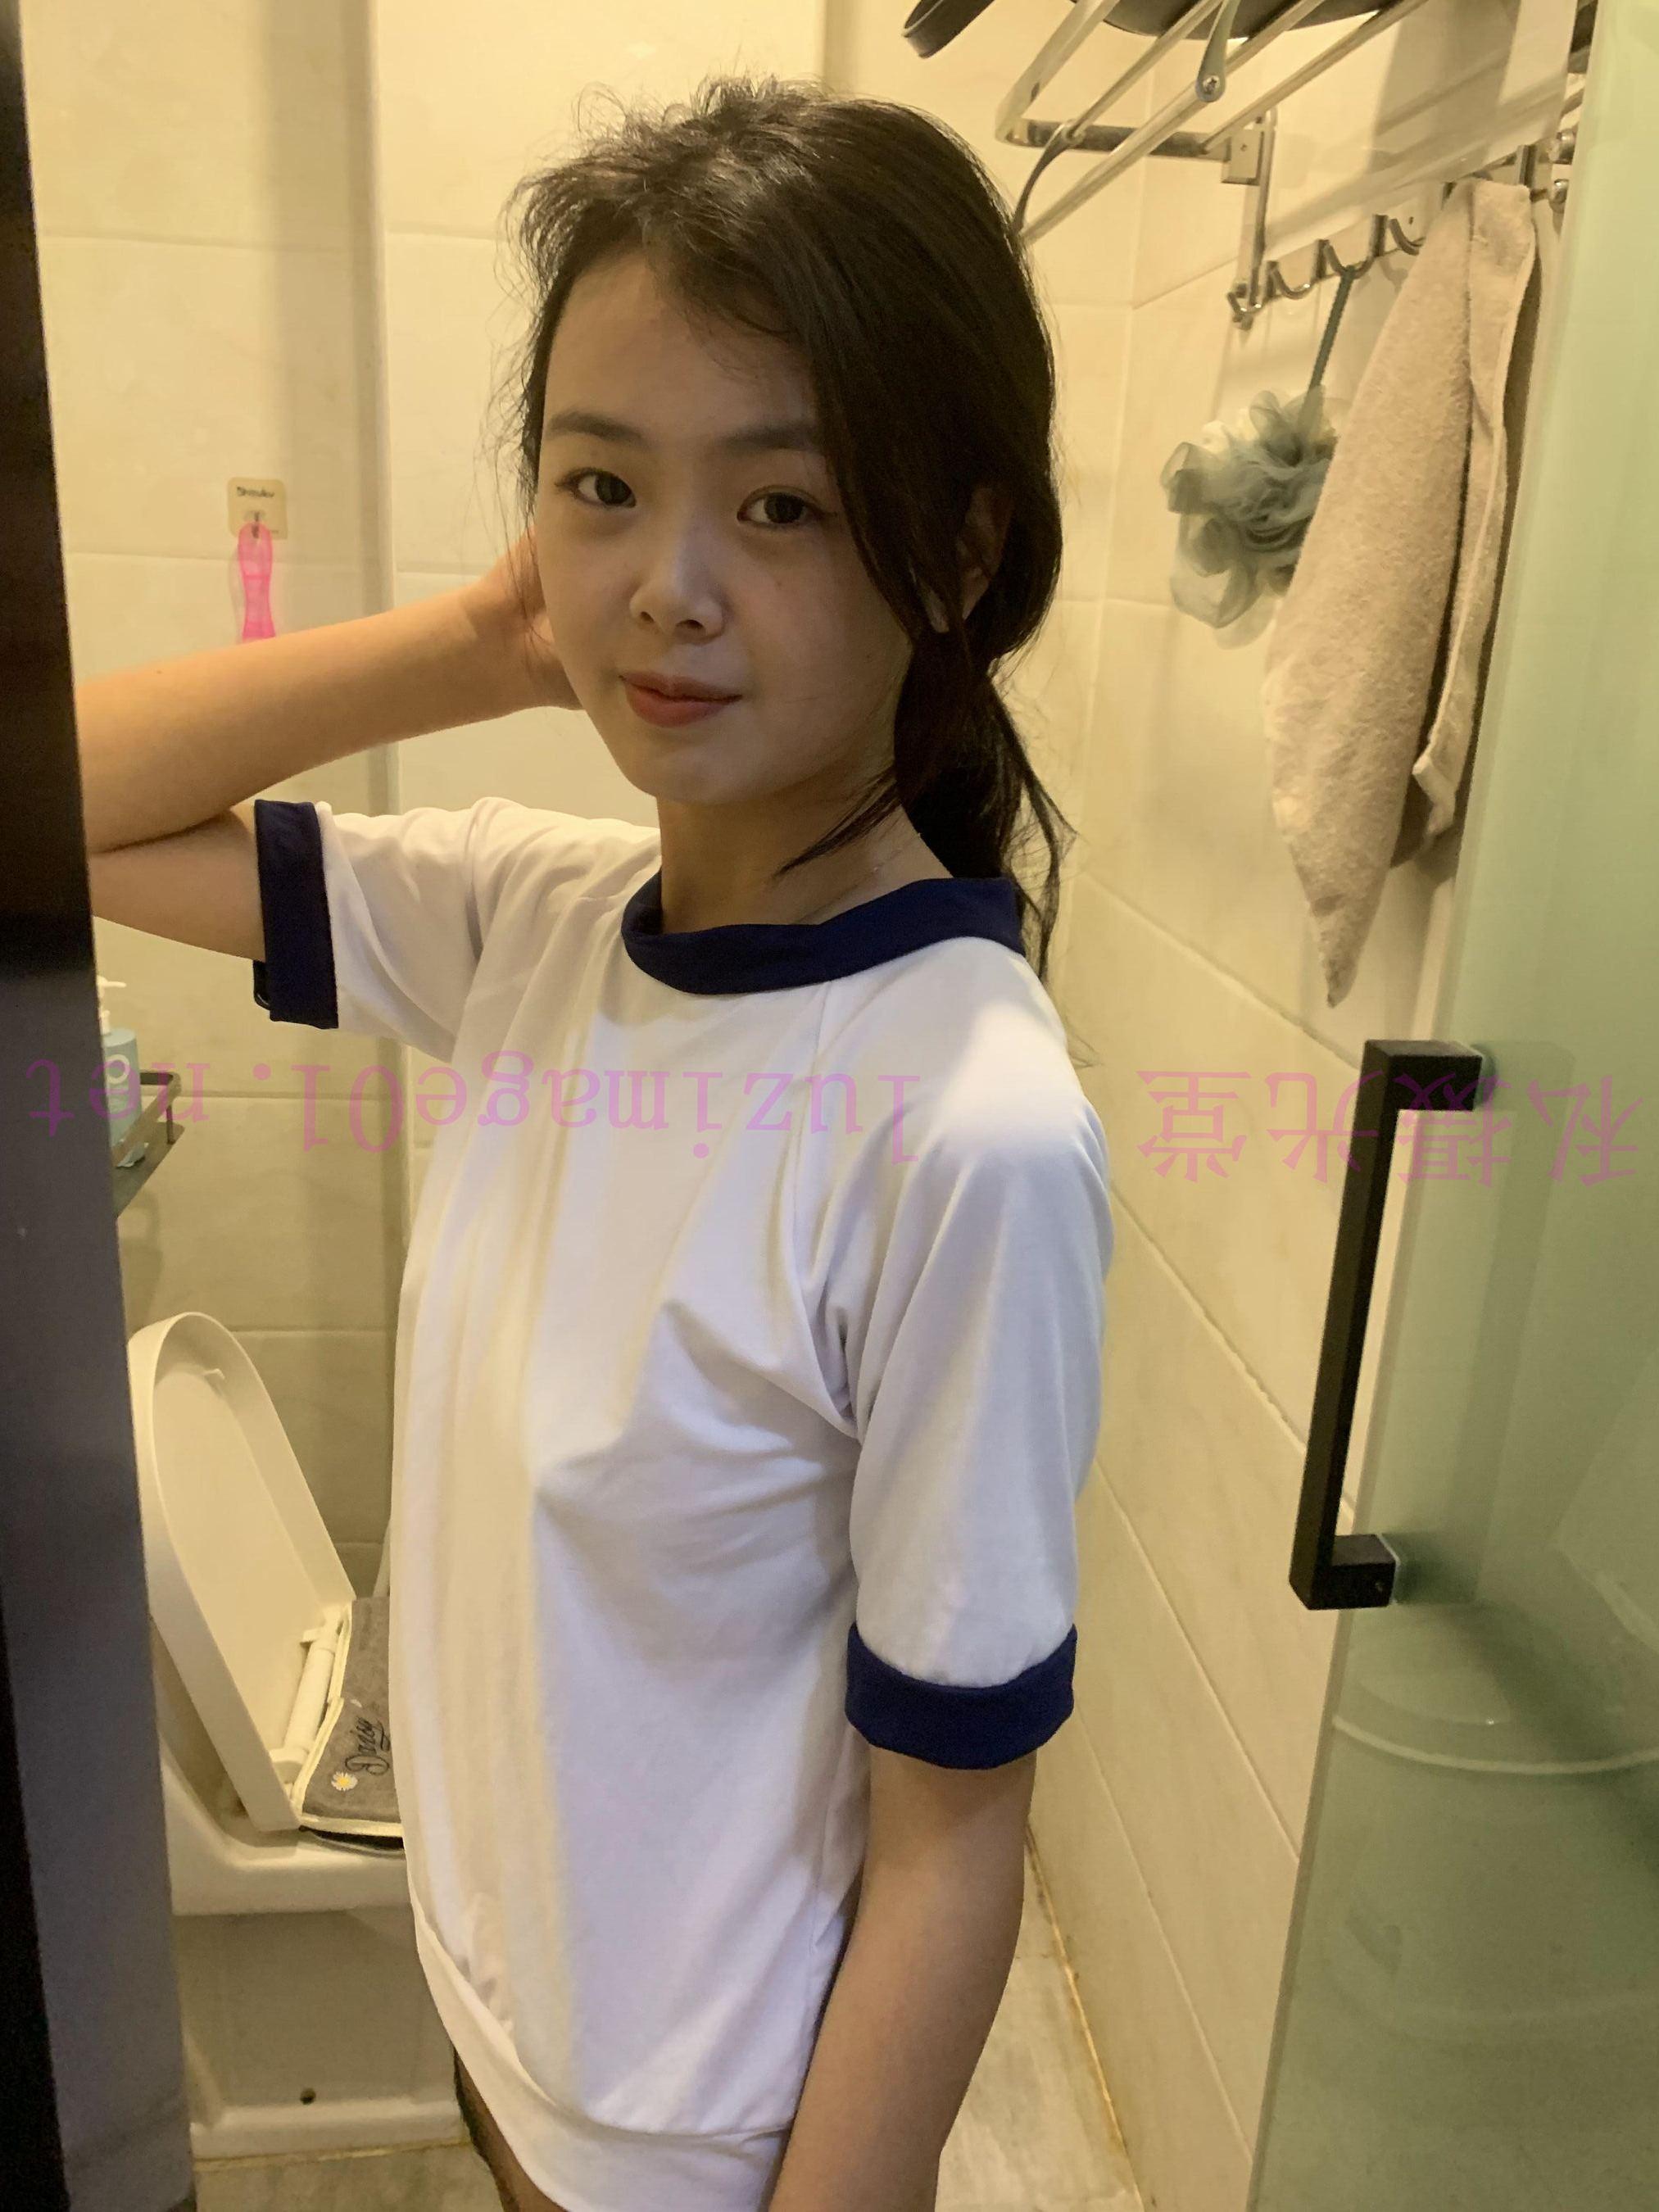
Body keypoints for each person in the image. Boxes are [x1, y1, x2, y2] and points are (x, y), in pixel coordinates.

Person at [79, 71, 1114, 2212]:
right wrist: (482, 637)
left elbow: (955, 1837)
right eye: (602, 485)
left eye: (781, 504)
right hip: (507, 2024)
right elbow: (54, 802)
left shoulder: (966, 1123)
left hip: (693, 2142)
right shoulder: (530, 925)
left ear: (958, 549)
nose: (669, 588)